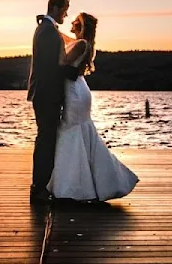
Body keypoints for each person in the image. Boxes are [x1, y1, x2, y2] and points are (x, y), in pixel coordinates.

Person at [47, 12, 138, 202]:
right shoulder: (82, 42)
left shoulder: (81, 44)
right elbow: (64, 37)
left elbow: (63, 62)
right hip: (78, 89)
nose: (71, 23)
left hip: (74, 92)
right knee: (78, 131)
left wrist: (56, 49)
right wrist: (54, 29)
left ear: (81, 26)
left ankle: (73, 186)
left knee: (72, 131)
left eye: (75, 22)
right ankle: (81, 183)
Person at [26, 0, 71, 205]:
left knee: (47, 138)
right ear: (54, 7)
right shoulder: (46, 31)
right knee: (46, 140)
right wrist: (72, 73)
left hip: (46, 93)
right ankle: (39, 187)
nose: (66, 14)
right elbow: (50, 66)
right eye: (64, 9)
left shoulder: (46, 29)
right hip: (47, 94)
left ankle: (42, 185)